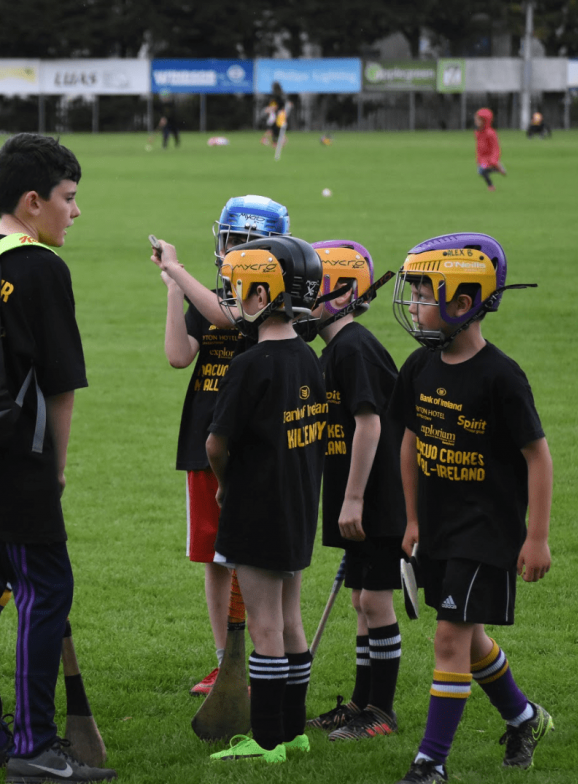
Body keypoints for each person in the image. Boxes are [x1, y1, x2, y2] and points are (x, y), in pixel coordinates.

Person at [0, 134, 115, 783]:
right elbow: (59, 383)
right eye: (69, 199)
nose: (75, 212)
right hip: (19, 461)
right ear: (32, 200)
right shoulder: (42, 267)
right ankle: (35, 745)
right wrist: (58, 469)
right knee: (46, 591)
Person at [388, 233, 553, 783]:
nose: (413, 306)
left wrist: (536, 537)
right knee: (468, 635)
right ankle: (523, 717)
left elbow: (538, 457)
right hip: (437, 524)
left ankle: (429, 763)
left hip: (487, 530)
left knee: (450, 637)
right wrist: (411, 520)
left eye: (423, 294)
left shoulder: (501, 377)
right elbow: (410, 444)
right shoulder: (418, 367)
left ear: (463, 302)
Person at [150, 195, 291, 697]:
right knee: (213, 558)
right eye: (230, 241)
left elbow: (230, 319)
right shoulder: (205, 296)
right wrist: (173, 290)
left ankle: (261, 657)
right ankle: (223, 662)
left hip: (247, 447)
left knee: (248, 559)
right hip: (202, 442)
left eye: (246, 243)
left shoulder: (273, 303)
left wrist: (178, 267)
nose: (234, 252)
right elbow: (177, 356)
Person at [205, 236, 327, 764]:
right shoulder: (307, 356)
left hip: (256, 506)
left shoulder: (249, 364)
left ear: (262, 293)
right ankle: (295, 730)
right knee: (291, 617)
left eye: (237, 289)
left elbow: (215, 443)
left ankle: (269, 739)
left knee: (265, 625)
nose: (233, 297)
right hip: (299, 503)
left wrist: (224, 480)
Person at [303, 241, 406, 741]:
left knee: (375, 602)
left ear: (341, 293)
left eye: (309, 291)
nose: (300, 301)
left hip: (378, 500)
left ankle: (381, 712)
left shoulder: (355, 348)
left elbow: (370, 425)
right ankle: (361, 704)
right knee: (361, 600)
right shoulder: (332, 349)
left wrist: (354, 497)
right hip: (356, 497)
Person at [473, 108, 507, 191]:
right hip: (483, 157)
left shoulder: (490, 133)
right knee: (480, 171)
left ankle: (491, 186)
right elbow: (479, 147)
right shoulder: (478, 133)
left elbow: (495, 148)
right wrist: (479, 158)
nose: (476, 122)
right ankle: (497, 168)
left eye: (479, 120)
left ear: (485, 121)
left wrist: (494, 159)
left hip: (490, 156)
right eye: (476, 119)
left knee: (483, 171)